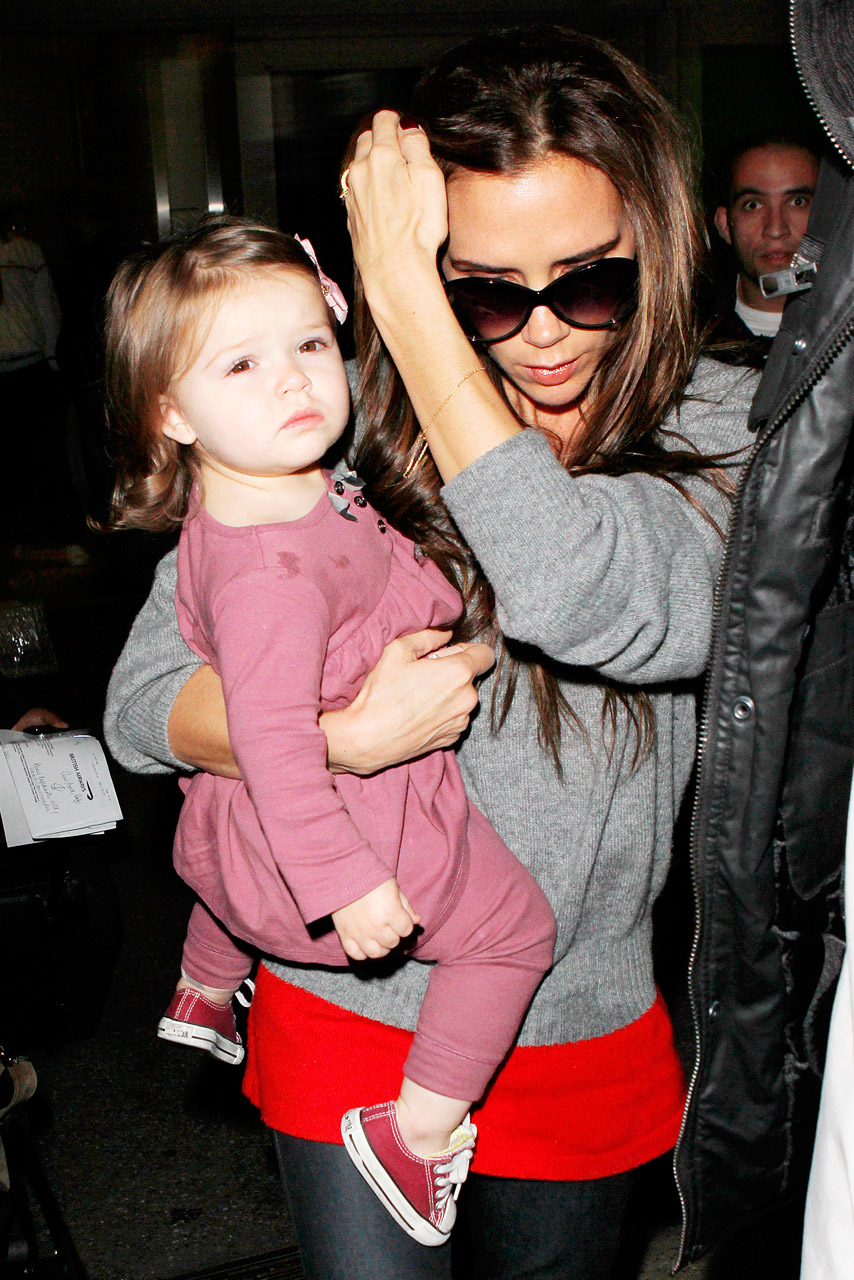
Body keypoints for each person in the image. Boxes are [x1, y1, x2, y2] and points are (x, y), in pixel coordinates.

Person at [104, 26, 757, 1280]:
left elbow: (574, 588)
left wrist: (408, 307)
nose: (541, 334)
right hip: (352, 988)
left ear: (659, 245)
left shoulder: (723, 428)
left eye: (589, 282)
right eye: (486, 292)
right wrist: (333, 741)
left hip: (567, 1005)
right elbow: (141, 698)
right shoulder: (327, 420)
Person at [102, 215, 556, 1247]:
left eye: (311, 342)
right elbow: (272, 745)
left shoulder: (276, 492)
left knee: (229, 845)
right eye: (242, 363)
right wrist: (346, 882)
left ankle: (208, 982)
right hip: (356, 826)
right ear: (170, 410)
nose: (294, 381)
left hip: (235, 833)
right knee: (514, 931)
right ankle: (416, 1136)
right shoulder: (271, 575)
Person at [711, 135, 819, 357]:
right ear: (724, 225)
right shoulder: (684, 348)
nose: (776, 229)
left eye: (798, 202)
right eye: (753, 205)